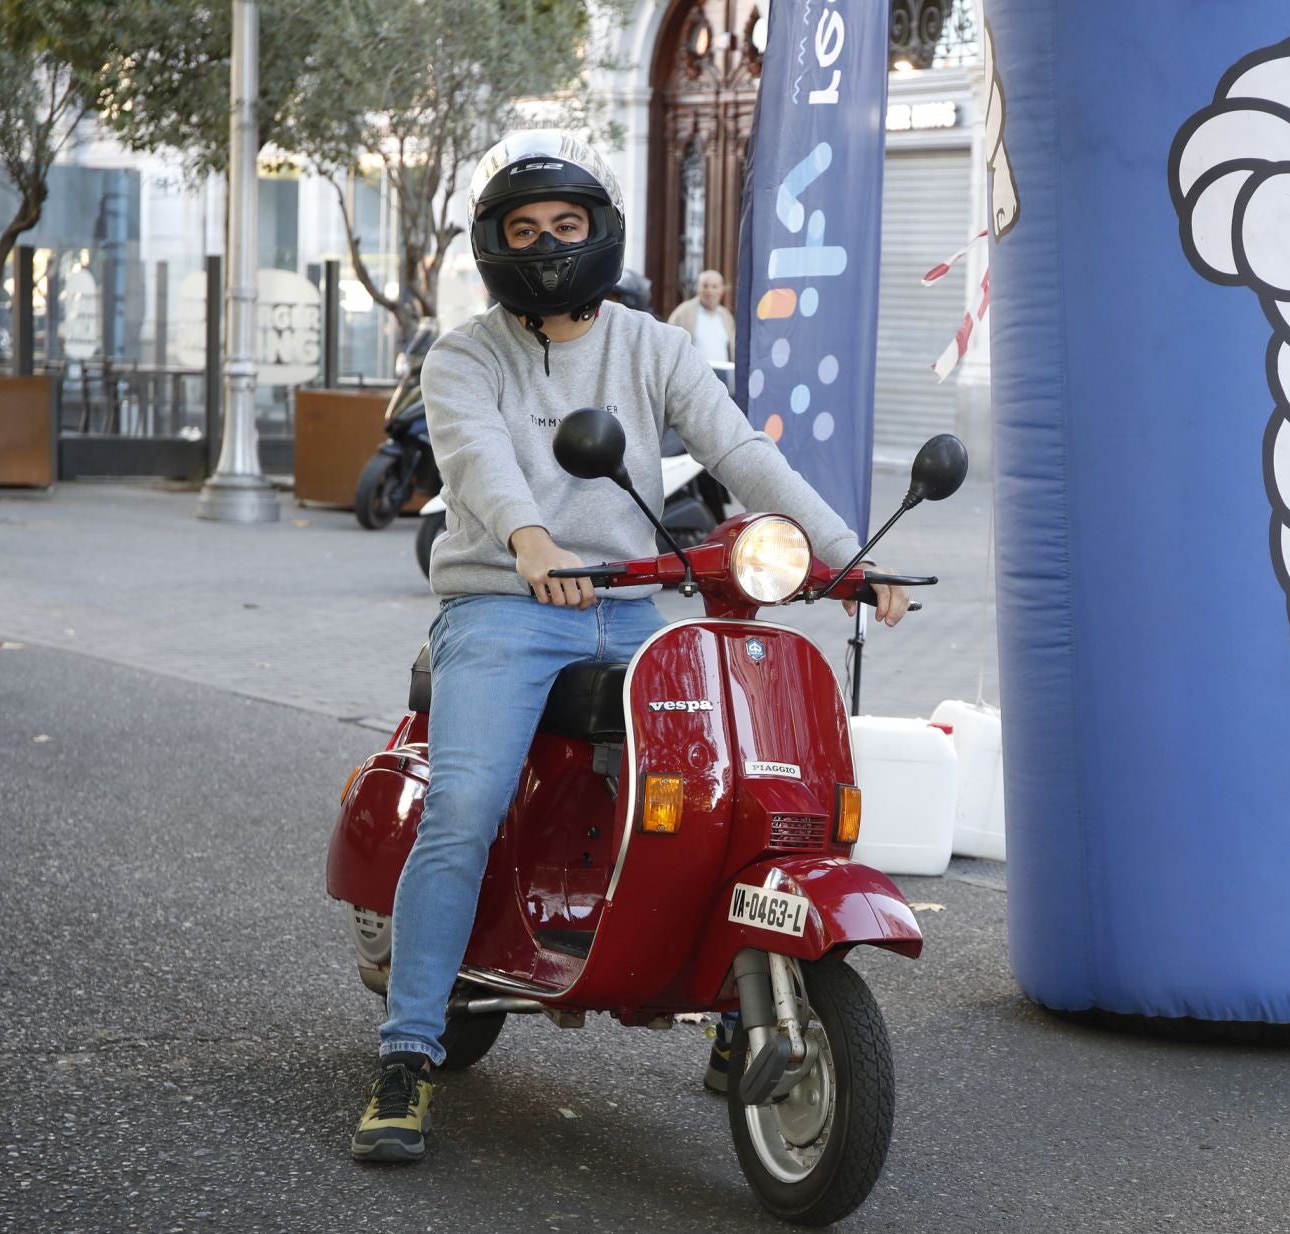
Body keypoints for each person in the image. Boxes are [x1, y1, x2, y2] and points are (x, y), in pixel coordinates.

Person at [351, 130, 910, 1163]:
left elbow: (738, 449)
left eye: (566, 225)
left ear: (601, 231)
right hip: (504, 606)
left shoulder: (653, 345)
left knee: (729, 790)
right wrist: (528, 544)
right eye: (524, 230)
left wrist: (846, 556)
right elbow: (476, 459)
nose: (547, 245)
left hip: (637, 606)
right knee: (465, 804)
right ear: (493, 244)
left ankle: (736, 993)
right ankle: (407, 1049)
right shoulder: (464, 353)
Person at [666, 268, 734, 364]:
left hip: (721, 377)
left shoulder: (726, 316)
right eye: (705, 286)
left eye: (714, 286)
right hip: (692, 375)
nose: (709, 291)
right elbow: (669, 346)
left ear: (722, 289)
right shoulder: (682, 313)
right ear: (698, 287)